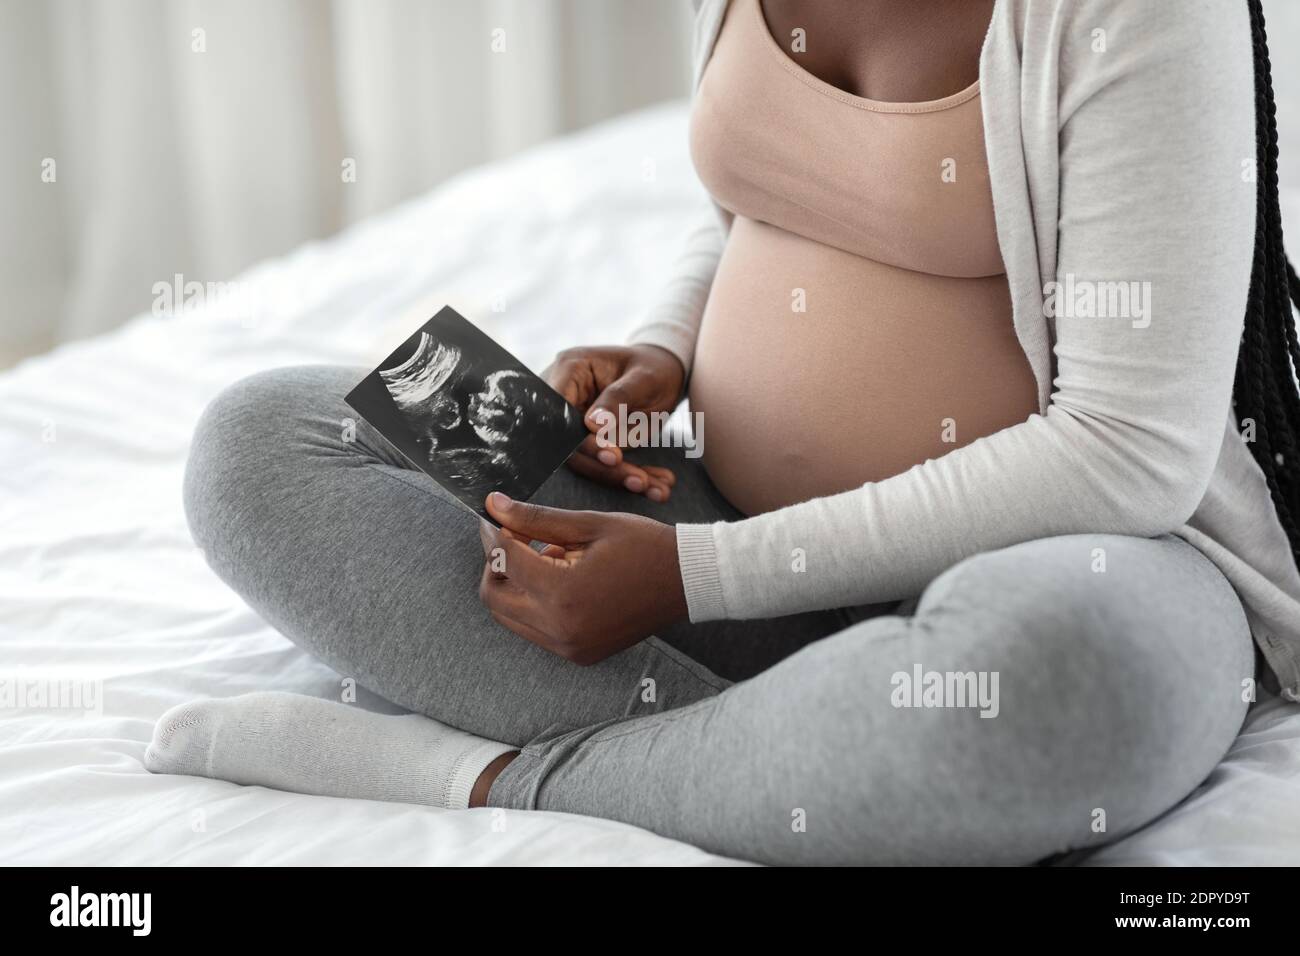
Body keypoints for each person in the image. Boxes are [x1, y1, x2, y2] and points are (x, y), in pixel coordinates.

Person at [146, 0, 1300, 865]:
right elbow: (754, 204)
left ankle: (492, 775)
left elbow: (1127, 449)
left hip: (1066, 558)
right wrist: (663, 349)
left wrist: (699, 578)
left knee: (1066, 684)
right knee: (270, 440)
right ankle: (805, 753)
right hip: (698, 502)